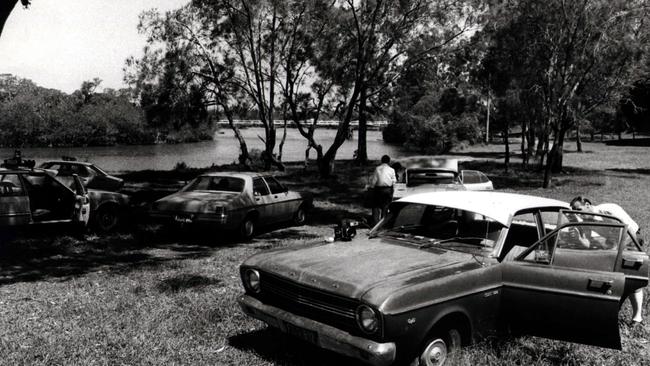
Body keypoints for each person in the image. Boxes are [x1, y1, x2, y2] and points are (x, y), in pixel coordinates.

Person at [570, 196, 644, 324]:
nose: (577, 213)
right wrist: (579, 239)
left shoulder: (609, 209)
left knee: (632, 277)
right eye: (574, 211)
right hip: (613, 244)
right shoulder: (585, 219)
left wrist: (615, 249)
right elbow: (587, 243)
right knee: (611, 277)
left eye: (578, 209)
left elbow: (630, 231)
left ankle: (637, 317)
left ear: (587, 205)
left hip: (631, 239)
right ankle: (608, 312)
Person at [370, 155, 396, 225]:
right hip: (388, 189)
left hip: (378, 190)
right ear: (389, 161)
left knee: (376, 206)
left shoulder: (377, 169)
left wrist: (371, 188)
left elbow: (374, 181)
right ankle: (383, 223)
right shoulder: (391, 170)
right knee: (385, 206)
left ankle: (376, 222)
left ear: (381, 161)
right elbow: (394, 181)